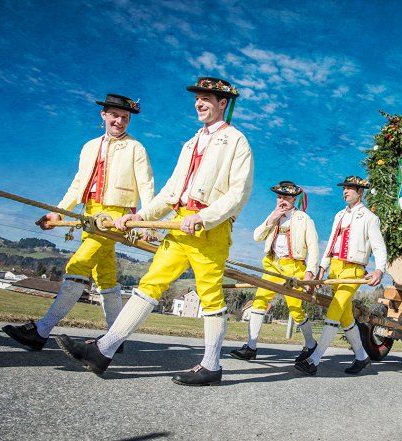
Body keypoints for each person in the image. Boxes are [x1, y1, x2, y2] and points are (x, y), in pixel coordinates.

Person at [55, 77, 254, 387]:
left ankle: (212, 365)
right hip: (179, 222)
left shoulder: (237, 141)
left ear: (222, 103)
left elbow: (238, 193)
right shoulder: (191, 142)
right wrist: (141, 216)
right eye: (197, 98)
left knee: (210, 294)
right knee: (150, 284)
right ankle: (103, 351)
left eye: (206, 99)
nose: (198, 104)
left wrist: (205, 216)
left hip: (210, 229)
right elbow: (171, 190)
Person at [3, 94, 154, 352]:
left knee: (78, 265)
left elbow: (147, 186)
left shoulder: (135, 148)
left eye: (125, 118)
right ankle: (115, 339)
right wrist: (58, 213)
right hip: (90, 214)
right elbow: (77, 185)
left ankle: (41, 331)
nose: (120, 121)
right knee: (105, 277)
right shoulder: (89, 147)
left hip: (116, 218)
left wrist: (147, 221)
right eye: (115, 115)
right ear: (103, 115)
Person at [295, 176, 387, 376]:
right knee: (345, 316)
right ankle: (362, 358)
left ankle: (314, 360)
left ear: (359, 192)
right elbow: (331, 244)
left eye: (349, 189)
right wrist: (322, 267)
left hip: (353, 271)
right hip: (335, 269)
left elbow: (379, 247)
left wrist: (379, 269)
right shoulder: (338, 215)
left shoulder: (370, 218)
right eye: (344, 189)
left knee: (334, 310)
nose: (345, 192)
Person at [230, 181, 319, 362]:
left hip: (293, 268)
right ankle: (251, 347)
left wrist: (310, 272)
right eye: (279, 197)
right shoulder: (272, 216)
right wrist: (272, 219)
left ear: (294, 199)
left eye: (286, 197)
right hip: (271, 266)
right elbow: (257, 236)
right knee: (259, 302)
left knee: (295, 309)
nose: (281, 200)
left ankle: (311, 345)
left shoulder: (304, 219)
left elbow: (314, 248)